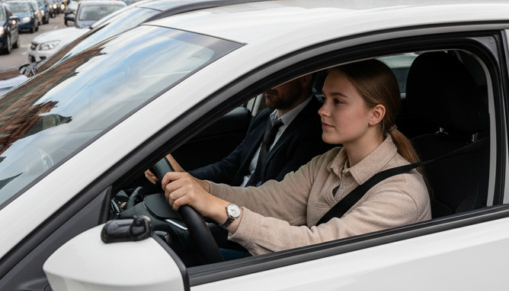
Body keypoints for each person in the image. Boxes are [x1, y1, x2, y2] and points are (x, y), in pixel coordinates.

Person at [160, 59, 432, 257]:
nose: (322, 110)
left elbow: (320, 247)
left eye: (338, 101)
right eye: (324, 98)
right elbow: (269, 200)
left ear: (376, 114)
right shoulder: (330, 161)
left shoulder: (401, 194)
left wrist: (223, 211)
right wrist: (202, 189)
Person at [147, 75, 329, 189]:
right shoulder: (266, 117)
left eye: (279, 76)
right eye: (268, 74)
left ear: (304, 79)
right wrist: (184, 177)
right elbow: (229, 167)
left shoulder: (315, 133)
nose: (268, 83)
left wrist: (213, 209)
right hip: (230, 204)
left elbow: (273, 199)